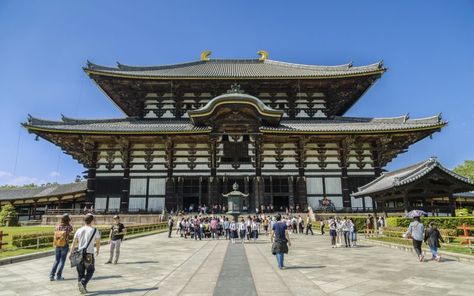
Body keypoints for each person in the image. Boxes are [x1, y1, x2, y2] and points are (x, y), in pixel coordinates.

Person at [69, 213, 101, 294]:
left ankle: (82, 288)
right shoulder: (94, 230)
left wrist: (70, 253)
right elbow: (97, 242)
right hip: (89, 254)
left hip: (79, 253)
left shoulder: (79, 230)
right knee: (91, 270)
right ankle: (83, 283)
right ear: (92, 221)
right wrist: (97, 250)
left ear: (84, 220)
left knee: (80, 272)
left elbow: (74, 242)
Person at [50, 213, 73, 281]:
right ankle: (58, 276)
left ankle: (51, 275)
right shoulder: (68, 227)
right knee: (62, 261)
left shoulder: (57, 226)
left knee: (56, 260)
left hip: (57, 244)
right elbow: (71, 230)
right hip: (64, 244)